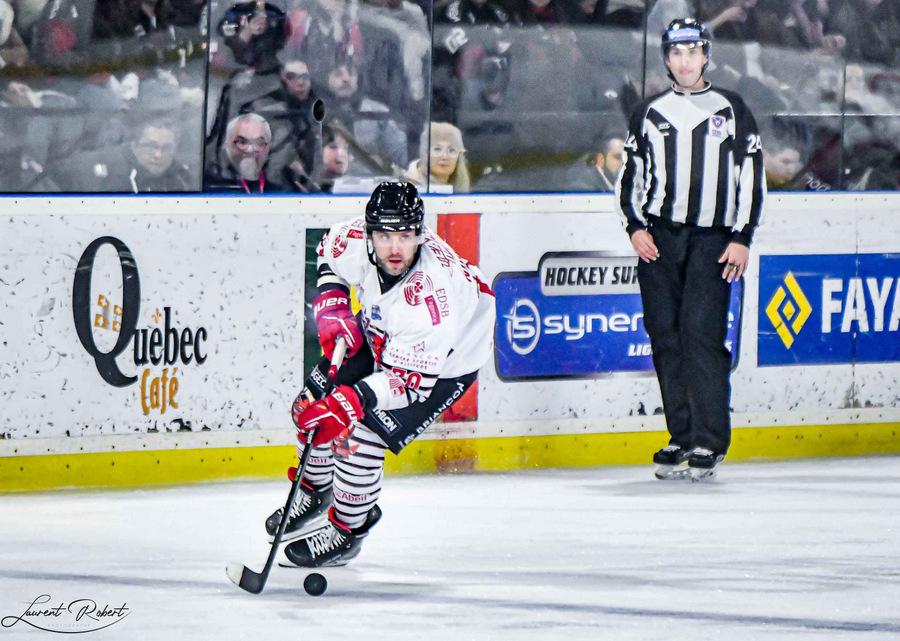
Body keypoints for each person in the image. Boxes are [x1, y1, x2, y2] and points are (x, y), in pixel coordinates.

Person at [266, 181, 495, 567]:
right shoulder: (354, 238)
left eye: (405, 236)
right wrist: (333, 301)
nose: (395, 248)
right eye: (385, 236)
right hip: (385, 327)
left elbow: (406, 385)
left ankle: (347, 531)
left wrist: (349, 403)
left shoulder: (430, 301)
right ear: (369, 232)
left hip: (448, 359)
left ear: (419, 234)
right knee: (311, 404)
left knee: (360, 434)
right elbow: (327, 253)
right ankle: (315, 490)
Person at [614, 18, 766, 481]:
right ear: (666, 58)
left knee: (701, 335)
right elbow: (630, 178)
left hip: (713, 240)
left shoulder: (732, 109)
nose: (684, 61)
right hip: (660, 238)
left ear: (706, 56)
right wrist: (634, 227)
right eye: (676, 53)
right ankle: (681, 434)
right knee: (665, 336)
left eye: (693, 52)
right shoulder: (649, 112)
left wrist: (741, 237)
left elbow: (751, 177)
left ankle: (709, 439)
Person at [204, 112, 285, 192]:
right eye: (242, 142)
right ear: (227, 145)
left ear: (269, 147)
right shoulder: (209, 189)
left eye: (259, 143)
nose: (250, 150)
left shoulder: (281, 193)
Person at [404, 122, 470, 193]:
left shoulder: (462, 185)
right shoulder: (408, 188)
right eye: (437, 149)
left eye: (451, 150)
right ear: (425, 153)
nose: (444, 156)